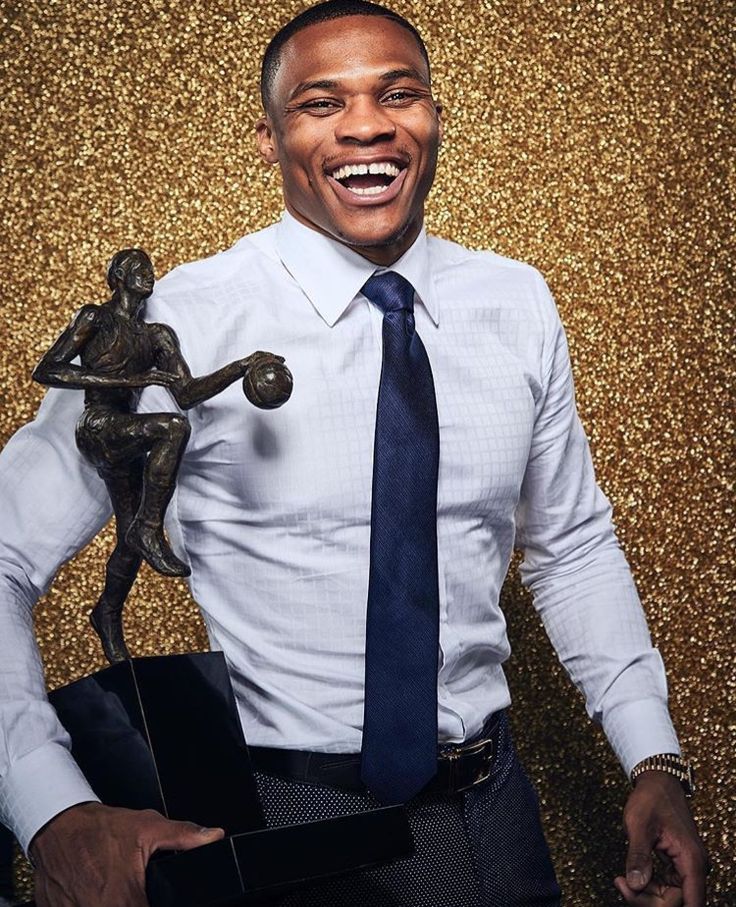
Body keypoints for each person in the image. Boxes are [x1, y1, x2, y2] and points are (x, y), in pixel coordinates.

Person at [0, 2, 707, 905]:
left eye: (397, 95)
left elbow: (571, 548)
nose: (366, 125)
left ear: (435, 119)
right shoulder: (186, 321)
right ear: (269, 138)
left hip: (502, 815)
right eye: (320, 103)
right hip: (290, 818)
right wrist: (50, 808)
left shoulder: (515, 301)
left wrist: (654, 757)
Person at [31, 247, 290, 663]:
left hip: (127, 437)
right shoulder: (96, 319)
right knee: (171, 428)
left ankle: (108, 614)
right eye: (137, 268)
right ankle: (151, 528)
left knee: (128, 542)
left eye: (149, 268)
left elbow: (187, 393)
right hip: (97, 426)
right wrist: (131, 378)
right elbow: (48, 370)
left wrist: (240, 366)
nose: (147, 274)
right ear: (117, 275)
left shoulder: (157, 337)